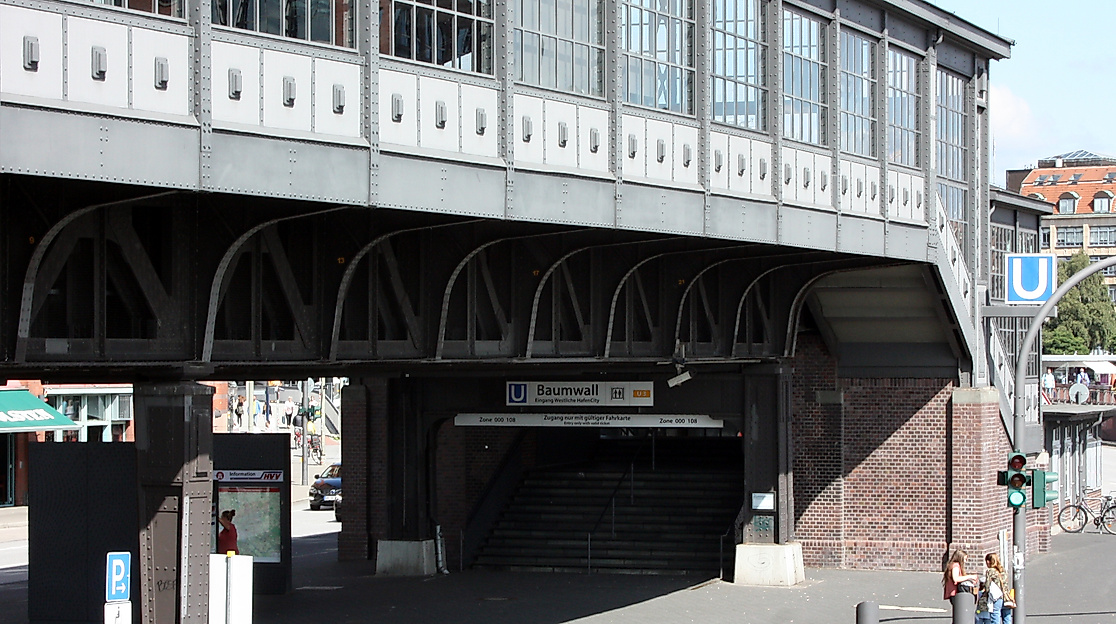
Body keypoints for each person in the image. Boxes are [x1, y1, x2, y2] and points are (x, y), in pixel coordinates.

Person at [976, 553, 1006, 624]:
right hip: (1003, 596)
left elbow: (987, 586)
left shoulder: (990, 571)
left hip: (995, 597)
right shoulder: (1002, 570)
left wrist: (984, 591)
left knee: (995, 617)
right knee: (1004, 617)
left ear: (988, 562)